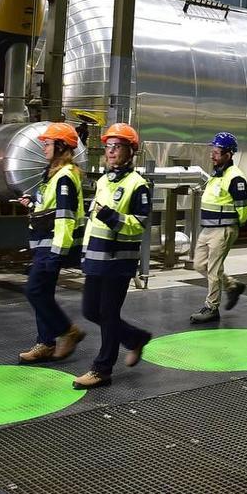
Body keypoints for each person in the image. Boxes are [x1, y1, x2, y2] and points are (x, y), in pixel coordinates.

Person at [74, 122, 153, 389]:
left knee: (108, 314)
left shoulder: (138, 185)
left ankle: (102, 369)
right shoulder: (103, 181)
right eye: (108, 146)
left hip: (118, 262)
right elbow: (92, 223)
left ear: (130, 151)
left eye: (117, 146)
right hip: (96, 259)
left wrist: (111, 216)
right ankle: (134, 338)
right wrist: (84, 253)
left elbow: (139, 224)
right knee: (90, 311)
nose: (111, 151)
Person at [19, 122, 86, 364]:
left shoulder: (65, 177)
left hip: (52, 246)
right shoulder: (52, 174)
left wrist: (57, 253)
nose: (44, 147)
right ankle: (46, 344)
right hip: (43, 243)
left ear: (60, 147)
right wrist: (31, 204)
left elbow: (66, 218)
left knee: (34, 290)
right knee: (43, 292)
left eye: (47, 144)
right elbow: (48, 207)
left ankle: (68, 331)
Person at [190, 132, 247, 323]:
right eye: (213, 151)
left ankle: (211, 308)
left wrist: (232, 226)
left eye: (216, 152)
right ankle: (232, 286)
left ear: (228, 154)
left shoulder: (235, 178)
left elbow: (244, 209)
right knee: (199, 265)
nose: (212, 155)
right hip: (208, 229)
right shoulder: (216, 175)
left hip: (223, 229)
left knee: (214, 270)